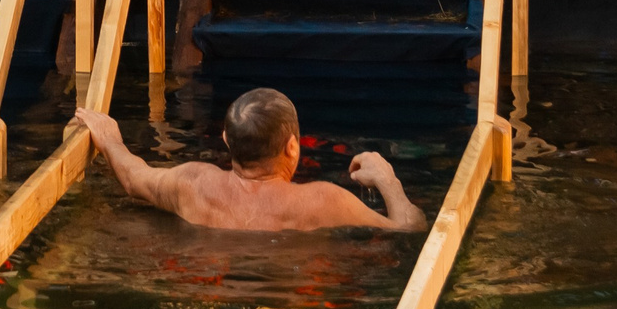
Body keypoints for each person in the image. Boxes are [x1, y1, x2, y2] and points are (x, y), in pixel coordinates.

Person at [71, 91, 425, 232]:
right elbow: (409, 229)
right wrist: (387, 179)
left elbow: (135, 180)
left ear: (225, 141)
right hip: (288, 306)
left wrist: (111, 139)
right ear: (292, 147)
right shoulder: (322, 202)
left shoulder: (193, 184)